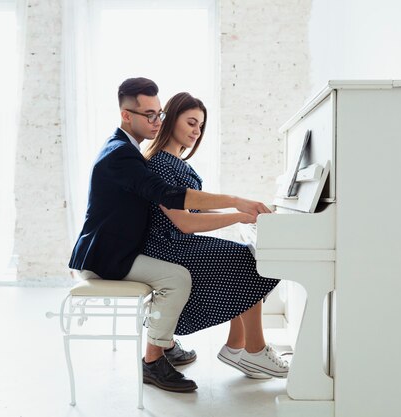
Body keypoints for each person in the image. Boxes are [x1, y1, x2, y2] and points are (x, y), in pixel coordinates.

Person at [68, 78, 272, 393]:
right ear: (126, 115)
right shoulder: (122, 154)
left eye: (159, 113)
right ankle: (153, 361)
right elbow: (172, 199)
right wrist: (237, 204)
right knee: (178, 277)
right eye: (149, 114)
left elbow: (179, 207)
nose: (156, 121)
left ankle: (197, 344)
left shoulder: (128, 150)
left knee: (231, 259)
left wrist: (238, 212)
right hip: (108, 256)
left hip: (122, 248)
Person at [141, 92, 289, 379]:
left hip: (178, 240)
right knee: (247, 260)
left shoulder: (177, 162)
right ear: (171, 120)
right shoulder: (159, 162)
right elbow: (184, 223)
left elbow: (193, 218)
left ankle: (238, 346)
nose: (196, 132)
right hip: (166, 246)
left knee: (245, 255)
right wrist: (238, 214)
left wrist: (244, 216)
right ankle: (253, 351)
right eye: (192, 123)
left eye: (200, 126)